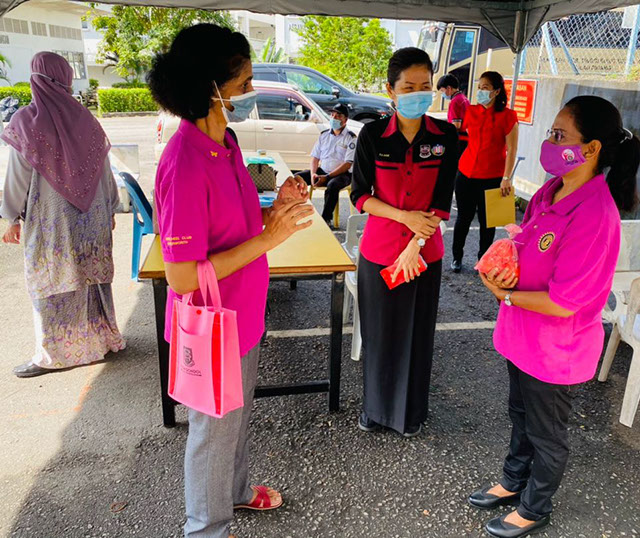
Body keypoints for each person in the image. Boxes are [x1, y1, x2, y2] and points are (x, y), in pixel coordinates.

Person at [147, 24, 312, 538]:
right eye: (243, 81)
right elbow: (180, 276)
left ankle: (236, 492)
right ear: (209, 87)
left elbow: (236, 227)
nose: (250, 89)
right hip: (212, 325)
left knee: (235, 419)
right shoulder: (184, 162)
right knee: (212, 435)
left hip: (243, 313)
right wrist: (269, 239)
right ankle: (206, 528)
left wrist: (276, 210)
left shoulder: (227, 141)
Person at [472, 95, 640, 538]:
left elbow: (565, 302)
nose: (550, 142)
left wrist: (506, 296)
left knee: (547, 433)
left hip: (554, 350)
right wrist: (504, 255)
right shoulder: (552, 190)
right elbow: (527, 243)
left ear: (592, 148)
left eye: (560, 135)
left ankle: (535, 507)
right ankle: (513, 480)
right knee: (520, 415)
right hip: (521, 337)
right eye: (551, 132)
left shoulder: (595, 214)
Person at [350, 47, 458, 438]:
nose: (418, 93)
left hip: (425, 255)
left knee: (417, 335)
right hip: (380, 252)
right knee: (379, 335)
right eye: (408, 87)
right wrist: (403, 217)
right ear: (391, 90)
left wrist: (416, 242)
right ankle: (375, 410)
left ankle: (411, 413)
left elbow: (442, 200)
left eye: (425, 86)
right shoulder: (373, 135)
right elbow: (359, 195)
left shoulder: (446, 136)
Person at [0, 52, 125, 378]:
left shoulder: (26, 122)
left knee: (52, 278)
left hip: (52, 220)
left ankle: (54, 354)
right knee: (90, 277)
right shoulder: (86, 119)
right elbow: (105, 169)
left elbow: (17, 177)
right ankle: (101, 341)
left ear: (36, 79)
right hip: (93, 215)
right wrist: (111, 207)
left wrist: (10, 216)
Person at [451, 71, 519, 273]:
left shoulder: (508, 116)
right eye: (479, 87)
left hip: (492, 177)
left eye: (485, 88)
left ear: (497, 91)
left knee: (487, 223)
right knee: (463, 218)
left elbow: (512, 149)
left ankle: (483, 260)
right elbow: (466, 135)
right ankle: (456, 257)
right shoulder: (471, 111)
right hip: (466, 173)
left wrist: (506, 178)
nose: (480, 91)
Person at [294, 103, 356, 228]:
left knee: (332, 185)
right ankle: (295, 213)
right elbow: (315, 158)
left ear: (345, 120)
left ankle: (326, 219)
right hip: (323, 170)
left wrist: (327, 177)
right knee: (297, 178)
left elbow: (347, 164)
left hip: (342, 174)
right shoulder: (324, 135)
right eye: (333, 115)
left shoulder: (351, 138)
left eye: (338, 116)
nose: (334, 118)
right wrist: (313, 174)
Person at [436, 74, 470, 156]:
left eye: (442, 91)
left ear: (448, 88)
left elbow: (456, 126)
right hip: (467, 139)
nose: (442, 94)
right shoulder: (464, 98)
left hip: (460, 140)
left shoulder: (454, 102)